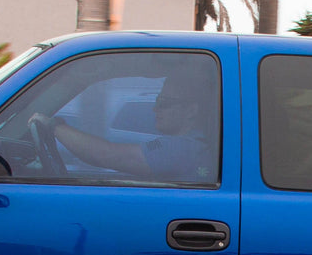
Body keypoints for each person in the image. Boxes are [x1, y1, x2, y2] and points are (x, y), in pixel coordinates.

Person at [30, 76, 215, 182]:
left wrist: (53, 126)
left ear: (192, 110)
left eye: (165, 103)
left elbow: (108, 155)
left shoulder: (182, 149)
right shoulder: (195, 147)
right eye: (157, 101)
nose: (155, 109)